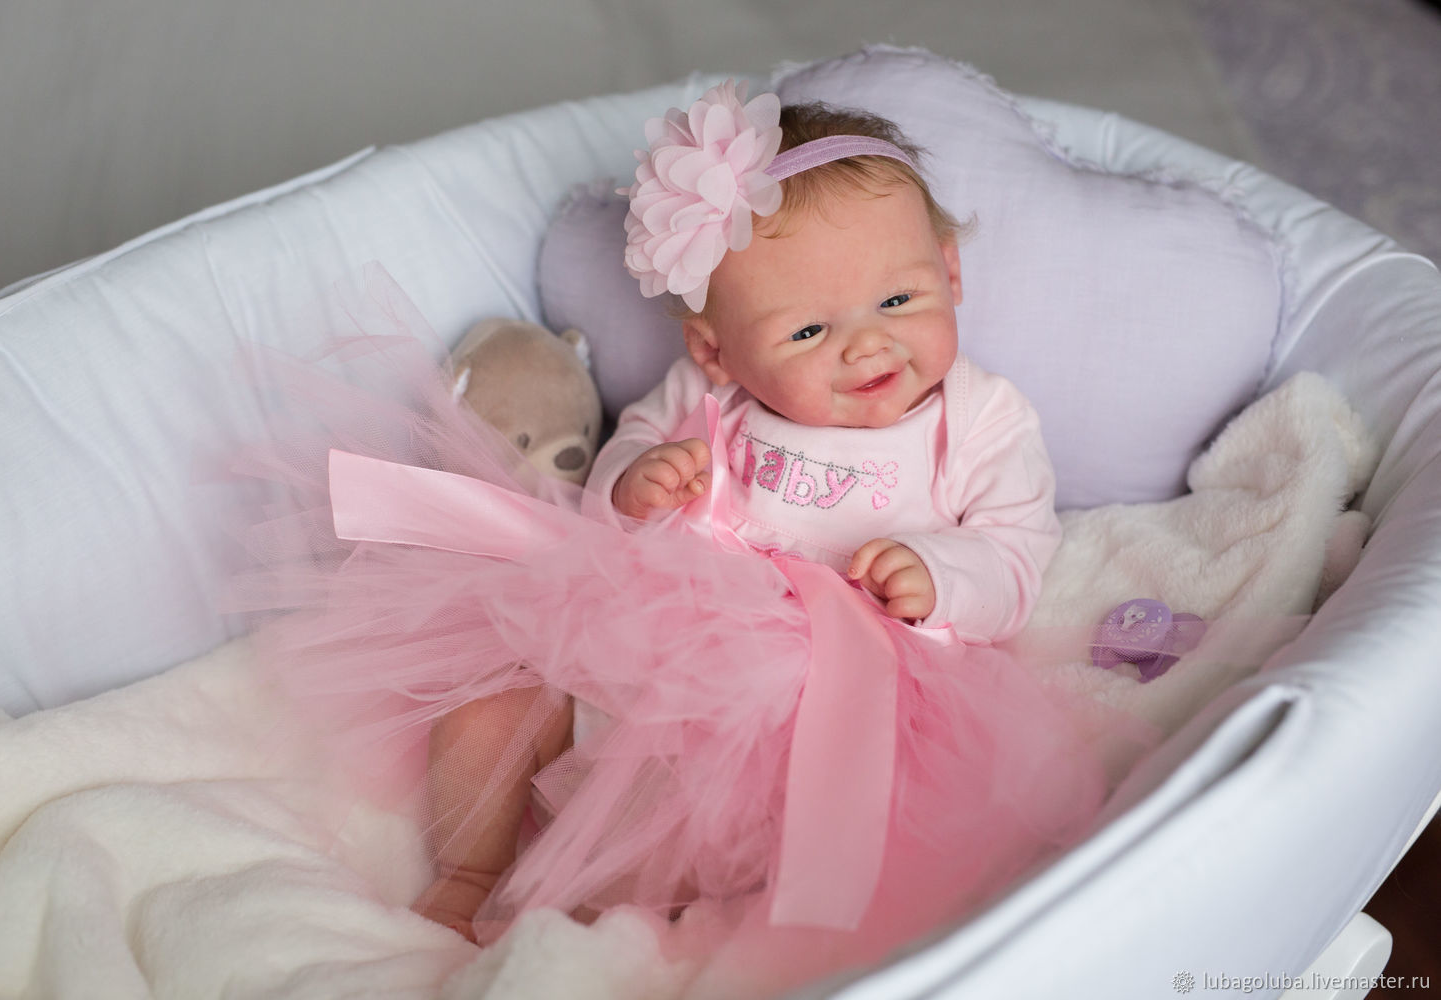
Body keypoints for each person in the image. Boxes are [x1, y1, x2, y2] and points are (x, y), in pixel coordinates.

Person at [391, 82, 1095, 955]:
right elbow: (623, 464)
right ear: (715, 350)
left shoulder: (982, 419)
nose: (867, 344)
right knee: (488, 701)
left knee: (722, 814)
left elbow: (1017, 554)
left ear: (949, 274)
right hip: (630, 640)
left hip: (811, 695)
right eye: (807, 333)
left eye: (898, 301)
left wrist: (943, 575)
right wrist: (634, 482)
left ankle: (580, 921)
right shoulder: (708, 395)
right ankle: (468, 872)